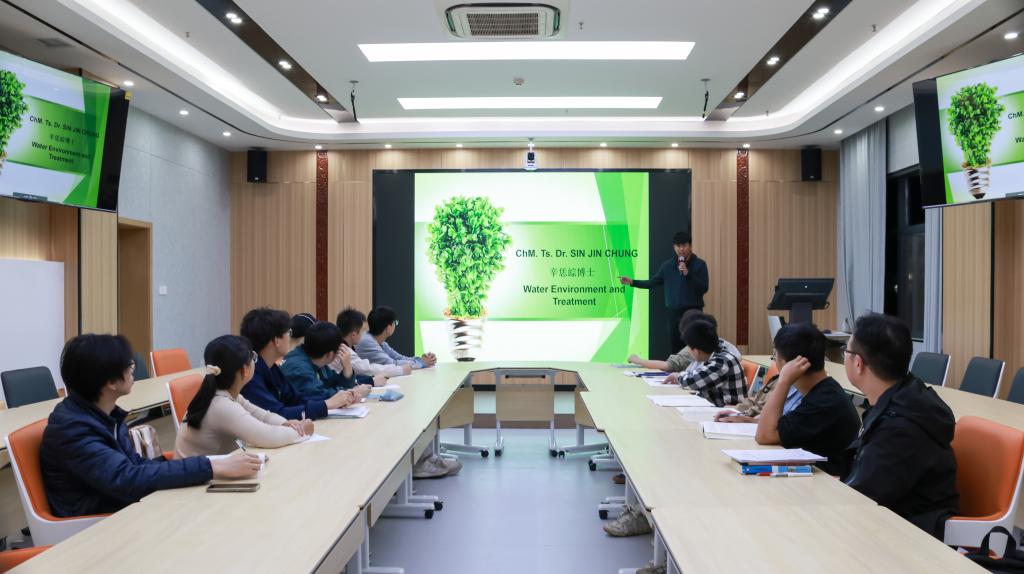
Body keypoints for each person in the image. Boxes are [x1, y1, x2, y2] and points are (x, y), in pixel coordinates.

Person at [40, 334, 260, 517]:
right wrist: (213, 466)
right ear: (110, 382)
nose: (133, 367)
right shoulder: (72, 430)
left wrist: (206, 466)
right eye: (127, 364)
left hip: (123, 506)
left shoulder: (105, 415)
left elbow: (135, 467)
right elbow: (127, 479)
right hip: (97, 525)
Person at [841, 313, 958, 538]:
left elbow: (861, 500)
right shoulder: (904, 397)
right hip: (889, 523)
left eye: (845, 351)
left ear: (858, 363)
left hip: (907, 536)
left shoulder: (899, 429)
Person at [747, 323, 860, 476]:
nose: (774, 361)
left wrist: (783, 381)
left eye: (775, 356)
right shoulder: (824, 391)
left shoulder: (824, 402)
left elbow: (764, 435)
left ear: (788, 365)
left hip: (827, 483)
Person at [176, 335, 313, 457]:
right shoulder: (221, 405)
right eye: (253, 358)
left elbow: (264, 416)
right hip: (196, 478)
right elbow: (267, 436)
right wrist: (303, 431)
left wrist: (286, 423)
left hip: (210, 471)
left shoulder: (226, 394)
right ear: (245, 370)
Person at [239, 307, 363, 420]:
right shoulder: (251, 375)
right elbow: (277, 414)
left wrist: (340, 398)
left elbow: (296, 399)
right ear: (277, 341)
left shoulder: (271, 368)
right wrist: (327, 404)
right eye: (288, 333)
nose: (290, 338)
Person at [619, 231, 709, 354]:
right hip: (673, 314)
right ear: (674, 247)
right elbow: (652, 283)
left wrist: (688, 274)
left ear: (690, 246)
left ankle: (694, 367)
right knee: (675, 348)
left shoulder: (700, 265)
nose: (681, 249)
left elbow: (704, 288)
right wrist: (632, 282)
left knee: (694, 347)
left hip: (693, 313)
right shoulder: (668, 266)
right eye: (678, 246)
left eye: (684, 245)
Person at [281, 321, 379, 400]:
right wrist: (353, 393)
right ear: (330, 354)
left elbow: (333, 383)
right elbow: (322, 396)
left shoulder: (317, 359)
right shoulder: (299, 367)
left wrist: (347, 368)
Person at [675, 320, 746, 407]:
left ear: (696, 351)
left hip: (729, 411)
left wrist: (678, 376)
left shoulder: (721, 362)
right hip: (719, 408)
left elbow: (691, 382)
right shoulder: (716, 354)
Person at [331, 308, 409, 379]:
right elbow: (368, 369)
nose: (363, 334)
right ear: (353, 335)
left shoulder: (342, 346)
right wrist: (400, 370)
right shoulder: (343, 351)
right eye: (362, 331)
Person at [355, 306, 437, 369]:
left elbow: (399, 358)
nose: (395, 325)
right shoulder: (367, 342)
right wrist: (422, 363)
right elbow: (393, 364)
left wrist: (421, 359)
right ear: (388, 328)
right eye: (395, 322)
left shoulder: (380, 342)